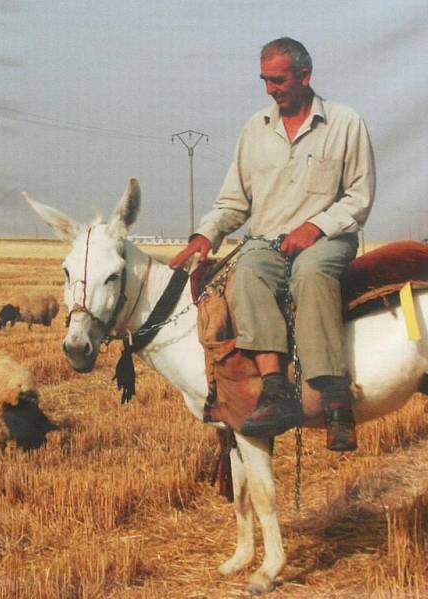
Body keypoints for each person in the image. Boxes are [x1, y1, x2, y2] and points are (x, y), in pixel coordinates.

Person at [170, 37, 375, 451]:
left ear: (305, 76)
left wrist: (315, 227)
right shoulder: (255, 129)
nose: (270, 89)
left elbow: (359, 196)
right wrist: (206, 233)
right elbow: (234, 201)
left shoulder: (345, 122)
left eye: (278, 80)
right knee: (245, 272)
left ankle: (335, 400)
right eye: (265, 80)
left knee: (312, 274)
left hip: (328, 240)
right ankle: (276, 390)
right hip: (266, 242)